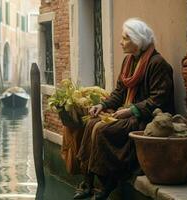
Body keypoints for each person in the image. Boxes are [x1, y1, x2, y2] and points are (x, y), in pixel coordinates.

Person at [73, 18, 175, 200]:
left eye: (125, 39)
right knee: (91, 124)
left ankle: (108, 184)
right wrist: (102, 105)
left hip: (146, 118)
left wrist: (131, 110)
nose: (121, 42)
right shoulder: (128, 62)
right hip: (128, 112)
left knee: (103, 130)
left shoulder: (157, 64)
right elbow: (120, 92)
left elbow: (158, 100)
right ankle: (88, 182)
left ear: (137, 41)